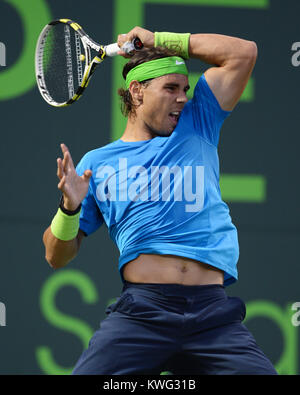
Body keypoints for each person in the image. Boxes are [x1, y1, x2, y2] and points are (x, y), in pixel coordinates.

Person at [43, 26, 277, 375]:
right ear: (137, 92)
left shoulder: (199, 121)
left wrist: (160, 39)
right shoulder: (97, 164)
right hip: (142, 314)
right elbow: (55, 256)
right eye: (170, 88)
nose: (183, 97)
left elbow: (244, 53)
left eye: (185, 88)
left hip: (213, 317)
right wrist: (70, 208)